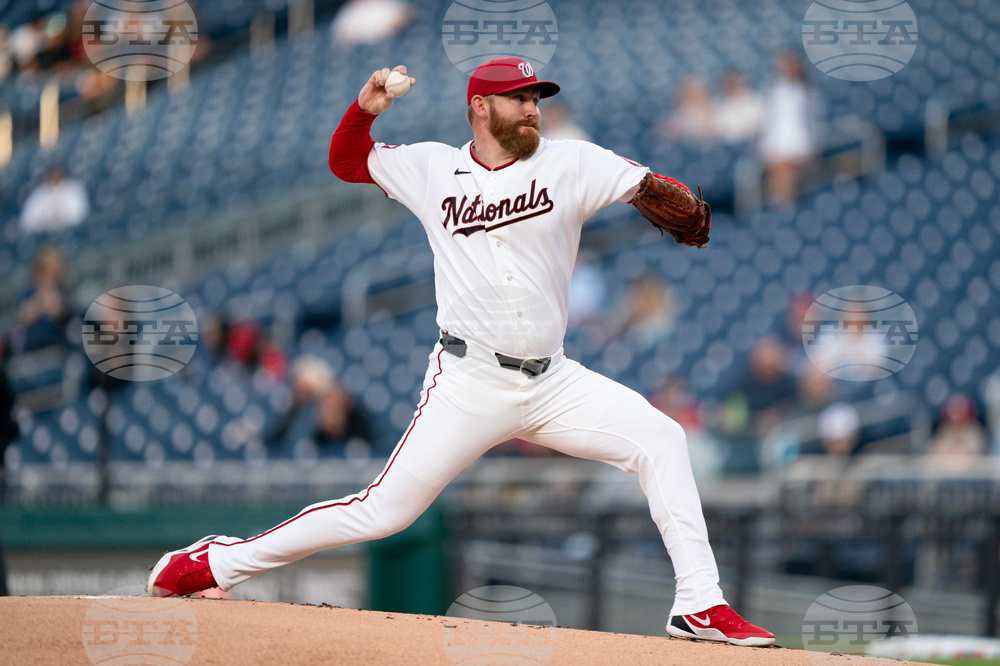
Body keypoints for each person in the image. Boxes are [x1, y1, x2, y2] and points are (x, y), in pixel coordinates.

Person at [147, 57, 774, 647]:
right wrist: (365, 107)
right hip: (468, 381)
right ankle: (218, 562)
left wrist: (663, 193)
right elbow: (346, 162)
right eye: (519, 99)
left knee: (661, 439)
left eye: (537, 98)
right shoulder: (430, 167)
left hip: (554, 382)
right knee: (382, 513)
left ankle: (698, 602)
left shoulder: (572, 162)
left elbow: (651, 185)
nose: (532, 108)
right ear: (480, 107)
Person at [757, 52, 817, 208]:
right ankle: (781, 205)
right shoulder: (773, 91)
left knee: (787, 172)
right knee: (780, 173)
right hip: (777, 143)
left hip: (796, 143)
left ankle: (787, 205)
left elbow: (809, 121)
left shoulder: (806, 92)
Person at [19, 165, 90, 233]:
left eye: (58, 175)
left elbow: (80, 216)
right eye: (52, 175)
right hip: (43, 236)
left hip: (69, 233)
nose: (55, 178)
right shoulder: (39, 194)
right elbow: (26, 222)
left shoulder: (74, 189)